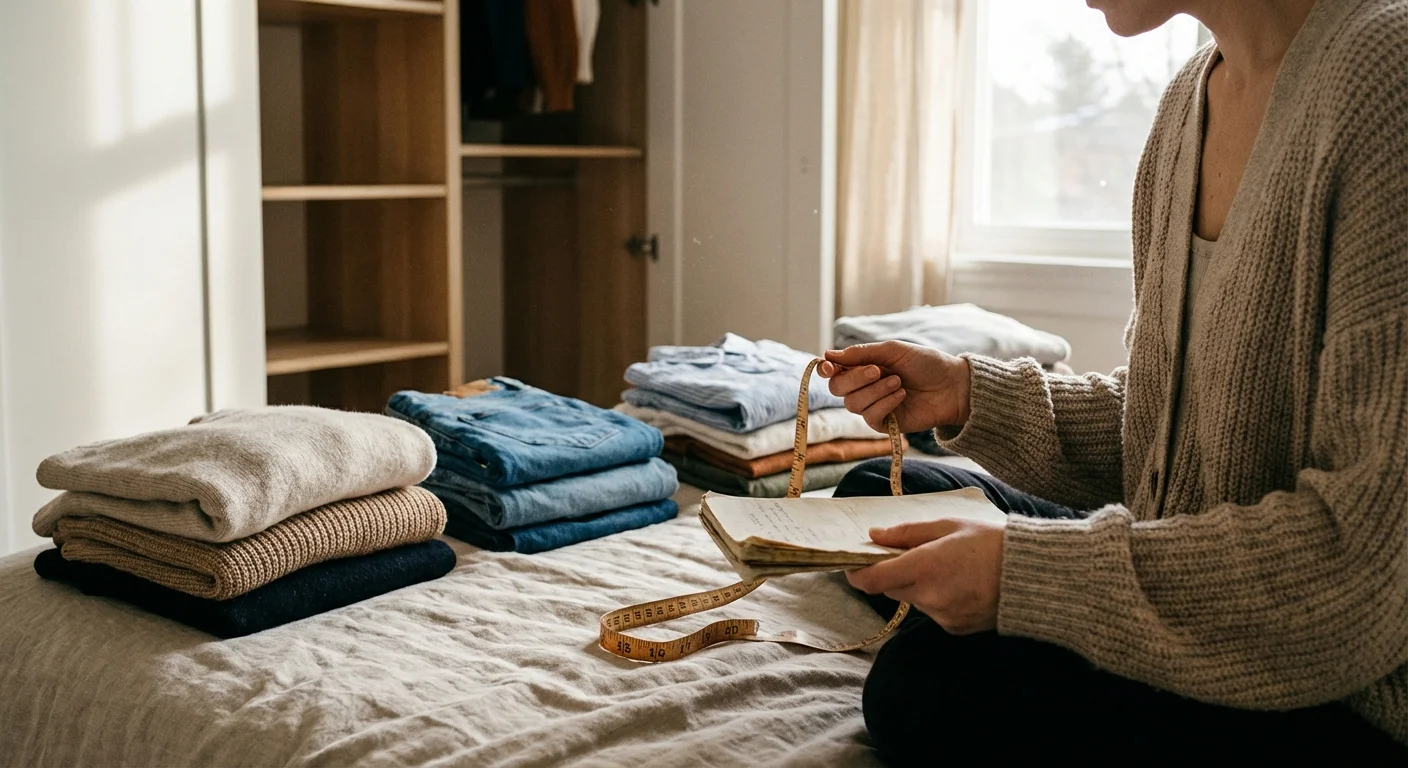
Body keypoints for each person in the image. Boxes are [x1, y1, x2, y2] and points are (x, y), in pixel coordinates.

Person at [818, 0, 1408, 762]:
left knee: (926, 687)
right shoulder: (1188, 101)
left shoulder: (1386, 78)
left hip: (1336, 679)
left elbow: (1362, 564)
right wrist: (970, 394)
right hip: (1187, 550)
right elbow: (1167, 424)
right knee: (873, 492)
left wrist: (1027, 577)